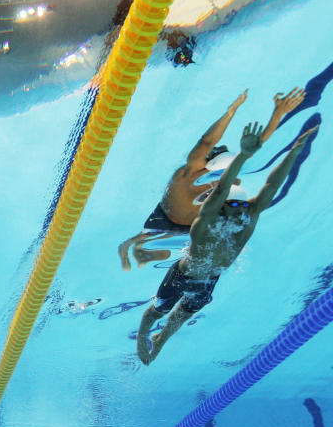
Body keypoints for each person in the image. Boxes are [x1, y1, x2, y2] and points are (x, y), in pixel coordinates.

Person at [136, 123, 318, 365]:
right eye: (235, 205)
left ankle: (161, 340)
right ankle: (142, 335)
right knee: (158, 311)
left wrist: (293, 154)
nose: (242, 210)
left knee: (183, 315)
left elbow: (271, 186)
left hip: (209, 281)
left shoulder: (248, 218)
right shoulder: (204, 223)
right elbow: (221, 189)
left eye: (243, 205)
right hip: (182, 275)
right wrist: (243, 155)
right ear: (222, 205)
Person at [119, 87, 306, 270]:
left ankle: (134, 247)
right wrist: (234, 112)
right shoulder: (190, 171)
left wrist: (276, 113)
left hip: (185, 226)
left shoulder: (222, 178)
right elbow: (208, 142)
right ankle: (130, 246)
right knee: (155, 249)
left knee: (164, 252)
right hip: (169, 220)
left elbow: (251, 146)